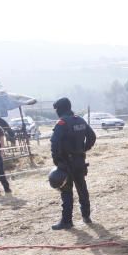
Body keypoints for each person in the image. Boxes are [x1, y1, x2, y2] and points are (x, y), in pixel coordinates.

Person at [49, 98, 96, 230]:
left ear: (60, 109)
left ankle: (67, 221)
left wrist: (57, 161)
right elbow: (92, 137)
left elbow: (54, 143)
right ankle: (86, 216)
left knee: (66, 192)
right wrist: (83, 149)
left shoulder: (62, 123)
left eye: (57, 109)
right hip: (80, 161)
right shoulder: (80, 120)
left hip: (66, 163)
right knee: (82, 189)